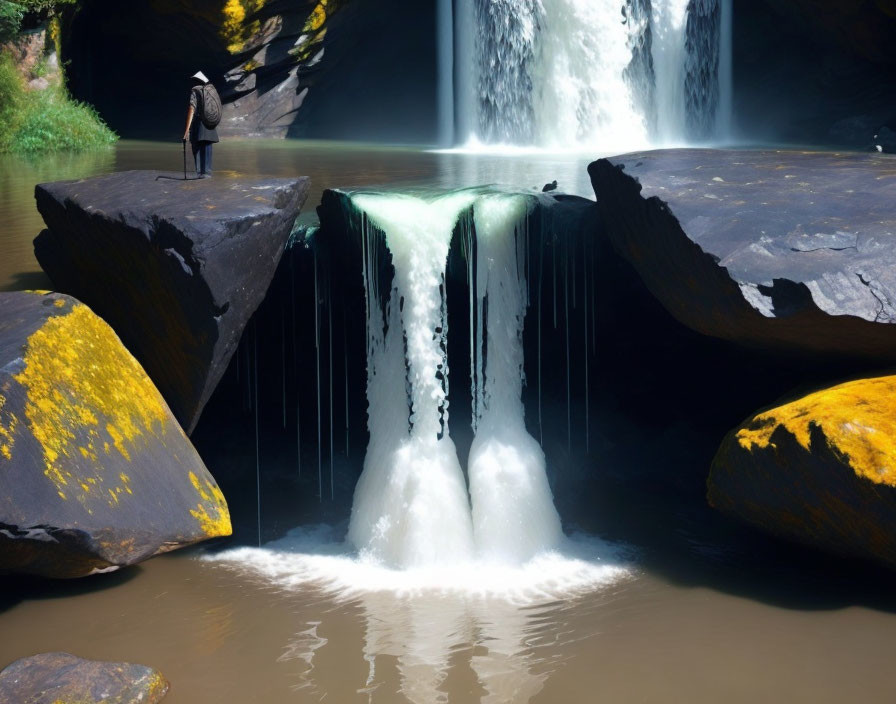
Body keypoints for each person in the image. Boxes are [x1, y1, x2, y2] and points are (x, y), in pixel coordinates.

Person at [182, 71, 220, 178]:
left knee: (197, 147)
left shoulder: (195, 91)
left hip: (199, 124)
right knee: (207, 147)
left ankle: (200, 173)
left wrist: (186, 130)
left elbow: (192, 109)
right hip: (211, 123)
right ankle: (207, 173)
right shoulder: (211, 91)